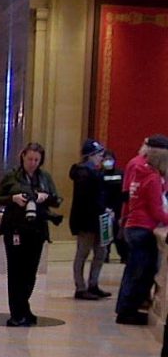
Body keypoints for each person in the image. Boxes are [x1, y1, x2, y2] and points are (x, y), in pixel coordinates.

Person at [0, 143, 62, 326]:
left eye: (36, 160)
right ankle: (17, 312)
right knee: (16, 271)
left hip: (37, 229)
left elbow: (57, 200)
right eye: (30, 159)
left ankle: (24, 306)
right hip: (15, 228)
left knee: (30, 272)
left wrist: (45, 197)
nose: (33, 163)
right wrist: (13, 199)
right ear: (23, 156)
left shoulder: (44, 178)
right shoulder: (11, 177)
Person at [116, 135, 168, 326]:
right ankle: (128, 311)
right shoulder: (153, 178)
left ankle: (125, 309)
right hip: (143, 228)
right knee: (141, 273)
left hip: (134, 225)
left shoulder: (140, 172)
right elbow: (156, 209)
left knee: (133, 271)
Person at [68, 139, 110, 300]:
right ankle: (80, 287)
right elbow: (87, 200)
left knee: (101, 252)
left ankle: (93, 284)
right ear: (90, 156)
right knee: (83, 253)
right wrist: (103, 209)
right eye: (99, 154)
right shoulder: (83, 173)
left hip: (98, 219)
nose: (102, 157)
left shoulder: (95, 172)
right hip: (86, 220)